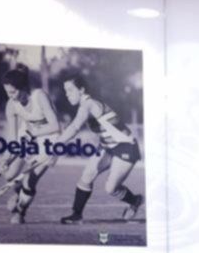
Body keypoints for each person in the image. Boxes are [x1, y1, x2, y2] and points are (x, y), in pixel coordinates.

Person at [54, 71, 144, 224]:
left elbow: (75, 127)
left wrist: (56, 145)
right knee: (87, 176)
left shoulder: (88, 104)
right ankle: (76, 215)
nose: (67, 95)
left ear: (81, 90)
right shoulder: (85, 105)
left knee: (111, 188)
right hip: (107, 146)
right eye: (65, 91)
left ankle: (135, 200)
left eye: (70, 90)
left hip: (126, 146)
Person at [1, 65, 61, 225]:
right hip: (29, 135)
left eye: (13, 92)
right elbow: (12, 139)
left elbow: (55, 126)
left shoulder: (39, 96)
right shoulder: (11, 105)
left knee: (30, 180)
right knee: (9, 175)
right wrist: (5, 160)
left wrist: (33, 134)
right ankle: (18, 190)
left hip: (49, 139)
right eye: (7, 92)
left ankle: (20, 211)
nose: (10, 96)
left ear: (23, 87)